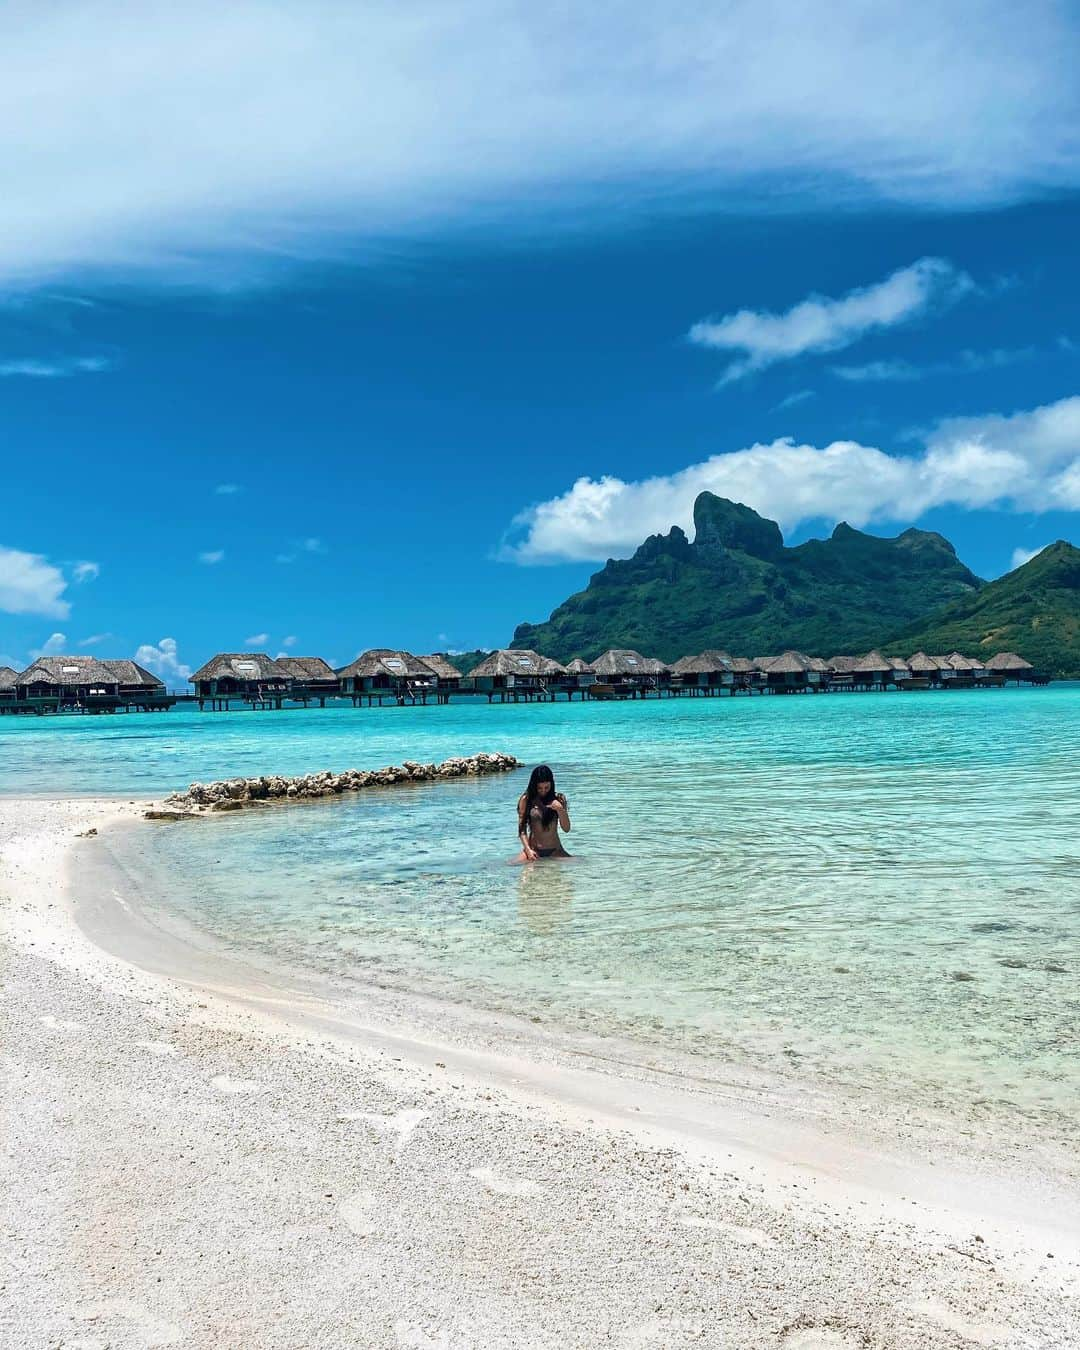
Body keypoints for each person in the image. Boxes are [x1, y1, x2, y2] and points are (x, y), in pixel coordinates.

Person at [511, 764, 571, 862]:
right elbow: (522, 830)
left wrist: (560, 809)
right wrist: (528, 850)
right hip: (533, 850)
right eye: (539, 788)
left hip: (555, 851)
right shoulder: (526, 800)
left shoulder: (559, 799)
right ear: (534, 786)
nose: (543, 791)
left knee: (581, 865)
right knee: (509, 866)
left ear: (551, 784)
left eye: (546, 787)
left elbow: (566, 829)